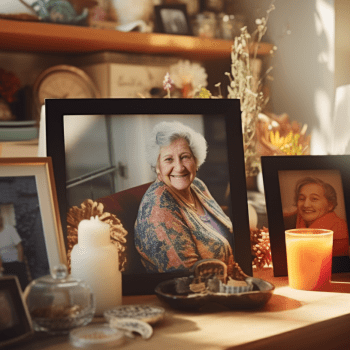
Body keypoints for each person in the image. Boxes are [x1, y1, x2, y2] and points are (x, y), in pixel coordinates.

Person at [134, 121, 234, 273]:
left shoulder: (197, 186)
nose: (180, 167)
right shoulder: (159, 207)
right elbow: (186, 276)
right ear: (157, 167)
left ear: (196, 160)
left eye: (185, 157)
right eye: (168, 159)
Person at [283, 177, 349, 256]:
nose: (306, 205)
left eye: (314, 199)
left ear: (330, 205)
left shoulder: (340, 230)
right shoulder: (291, 219)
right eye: (301, 198)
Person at [0, 215, 28, 290]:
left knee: (22, 286)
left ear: (1, 220)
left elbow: (19, 247)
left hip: (16, 262)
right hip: (4, 266)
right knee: (10, 289)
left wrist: (20, 262)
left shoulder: (10, 229)